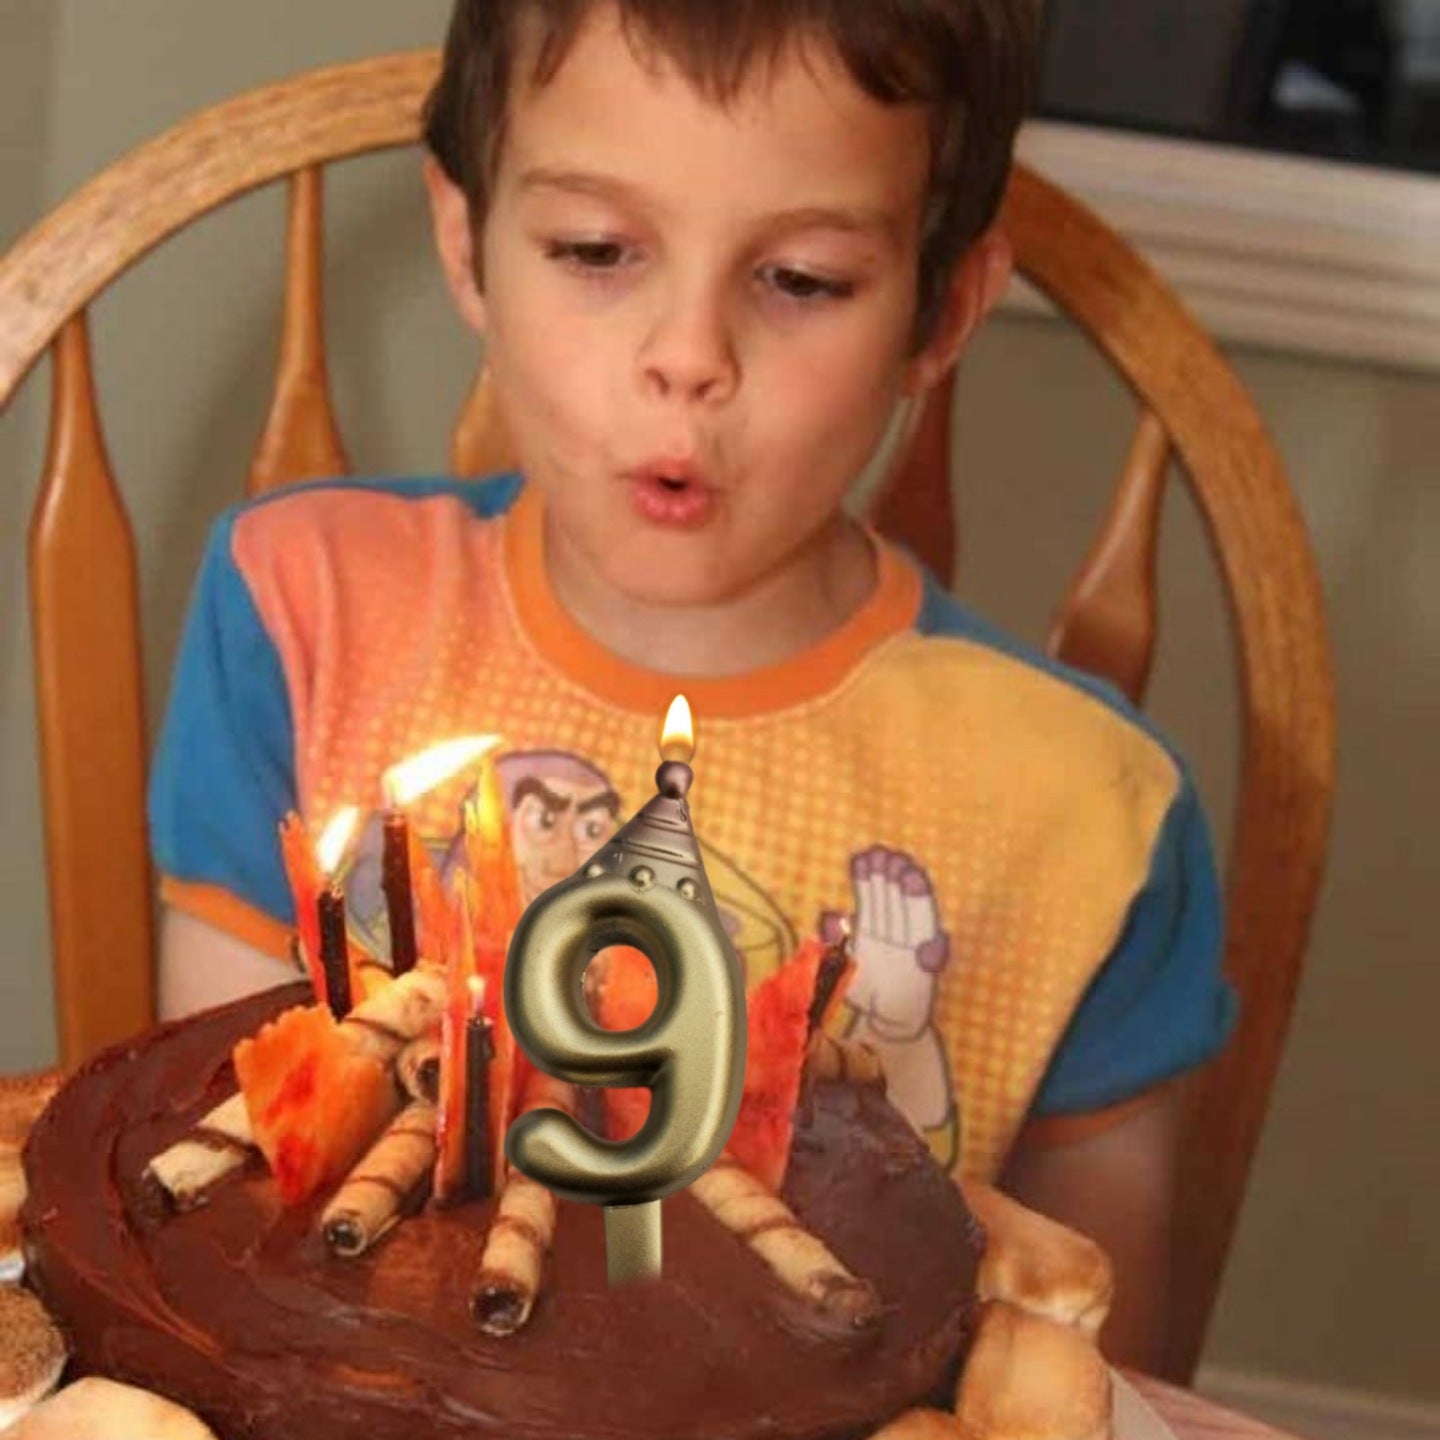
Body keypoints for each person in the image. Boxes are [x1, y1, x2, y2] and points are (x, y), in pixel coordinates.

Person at [149, 0, 1234, 1372]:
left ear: (941, 309)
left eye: (802, 280)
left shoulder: (1091, 815)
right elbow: (213, 1214)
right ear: (464, 242)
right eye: (598, 250)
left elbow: (1100, 1371)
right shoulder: (301, 614)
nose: (689, 356)